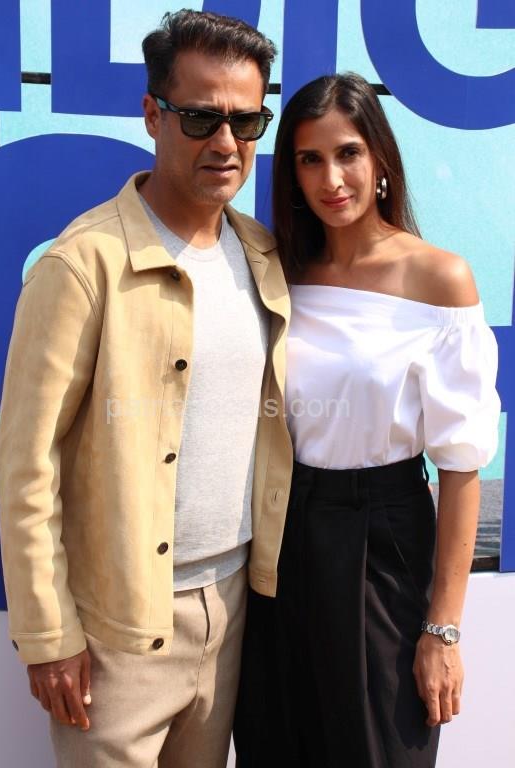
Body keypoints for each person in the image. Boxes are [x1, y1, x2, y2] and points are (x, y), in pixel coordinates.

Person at [0, 10, 293, 768]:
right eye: (200, 118)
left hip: (233, 610)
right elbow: (26, 462)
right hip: (116, 635)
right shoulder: (83, 264)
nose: (225, 142)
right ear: (153, 115)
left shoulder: (261, 255)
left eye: (246, 121)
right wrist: (48, 634)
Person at [233, 72, 500, 768]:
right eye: (309, 159)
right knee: (276, 746)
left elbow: (461, 467)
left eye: (347, 153)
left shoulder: (439, 278)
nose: (332, 179)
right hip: (277, 537)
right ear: (291, 173)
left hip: (384, 540)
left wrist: (443, 631)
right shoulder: (278, 273)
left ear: (379, 157)